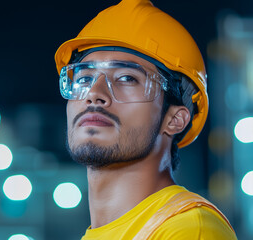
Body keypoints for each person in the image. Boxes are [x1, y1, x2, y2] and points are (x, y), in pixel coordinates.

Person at [55, 0, 237, 239]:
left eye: (127, 78)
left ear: (175, 119)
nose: (94, 94)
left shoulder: (189, 230)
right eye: (84, 79)